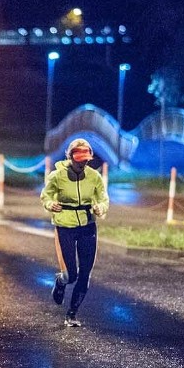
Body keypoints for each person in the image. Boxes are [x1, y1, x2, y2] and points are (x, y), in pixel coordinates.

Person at [40, 138, 109, 327]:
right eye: (79, 159)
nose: (83, 163)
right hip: (65, 226)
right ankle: (61, 282)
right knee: (71, 275)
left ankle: (72, 314)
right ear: (70, 157)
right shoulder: (57, 176)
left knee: (85, 273)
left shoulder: (94, 176)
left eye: (86, 159)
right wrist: (49, 204)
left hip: (87, 226)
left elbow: (103, 198)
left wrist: (100, 208)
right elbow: (45, 195)